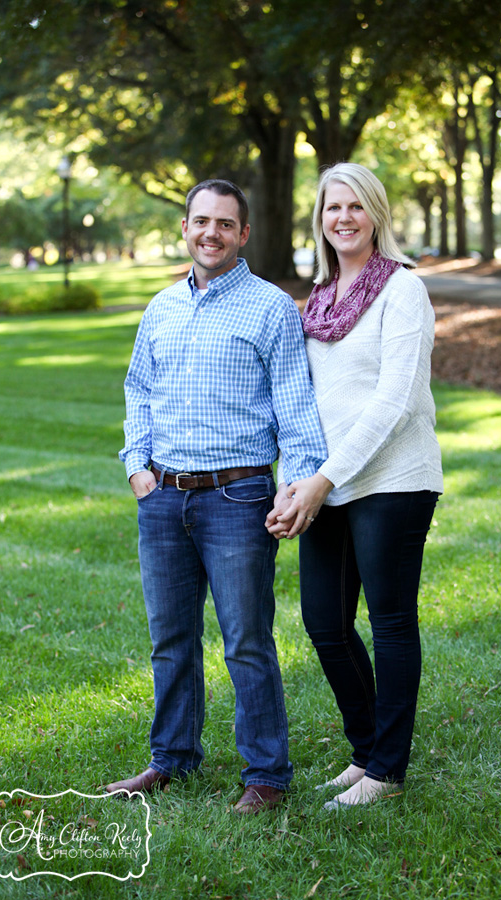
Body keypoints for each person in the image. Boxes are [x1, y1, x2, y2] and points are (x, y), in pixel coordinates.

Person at [108, 179, 327, 814]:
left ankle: (267, 774)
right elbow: (138, 390)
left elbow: (295, 407)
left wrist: (299, 483)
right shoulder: (161, 307)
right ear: (185, 228)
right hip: (163, 498)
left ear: (244, 234)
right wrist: (136, 467)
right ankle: (171, 759)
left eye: (224, 224)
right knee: (170, 638)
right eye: (200, 221)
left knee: (245, 640)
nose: (211, 233)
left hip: (238, 498)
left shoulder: (270, 308)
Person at [266, 162, 443, 809]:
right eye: (331, 208)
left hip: (393, 479)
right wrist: (300, 480)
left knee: (391, 623)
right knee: (324, 623)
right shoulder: (317, 300)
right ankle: (366, 749)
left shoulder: (403, 290)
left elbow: (395, 400)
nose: (342, 218)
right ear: (319, 219)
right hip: (327, 481)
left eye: (355, 207)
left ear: (375, 214)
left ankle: (387, 772)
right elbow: (305, 402)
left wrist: (323, 480)